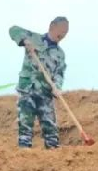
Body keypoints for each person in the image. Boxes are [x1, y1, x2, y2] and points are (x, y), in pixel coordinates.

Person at [8, 18, 68, 149]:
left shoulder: (60, 54)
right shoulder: (34, 38)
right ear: (52, 26)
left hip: (45, 93)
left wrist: (57, 87)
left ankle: (53, 152)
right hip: (27, 89)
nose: (63, 35)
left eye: (65, 33)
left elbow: (59, 73)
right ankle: (25, 152)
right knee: (25, 123)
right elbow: (13, 30)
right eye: (61, 31)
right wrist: (24, 41)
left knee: (50, 126)